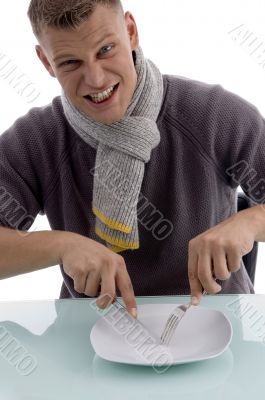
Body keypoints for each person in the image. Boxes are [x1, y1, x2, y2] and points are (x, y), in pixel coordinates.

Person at [0, 0, 264, 317]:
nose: (96, 80)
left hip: (220, 327)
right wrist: (62, 245)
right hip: (92, 335)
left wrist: (249, 223)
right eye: (71, 62)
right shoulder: (38, 138)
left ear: (131, 31)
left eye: (106, 49)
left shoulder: (215, 115)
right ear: (45, 61)